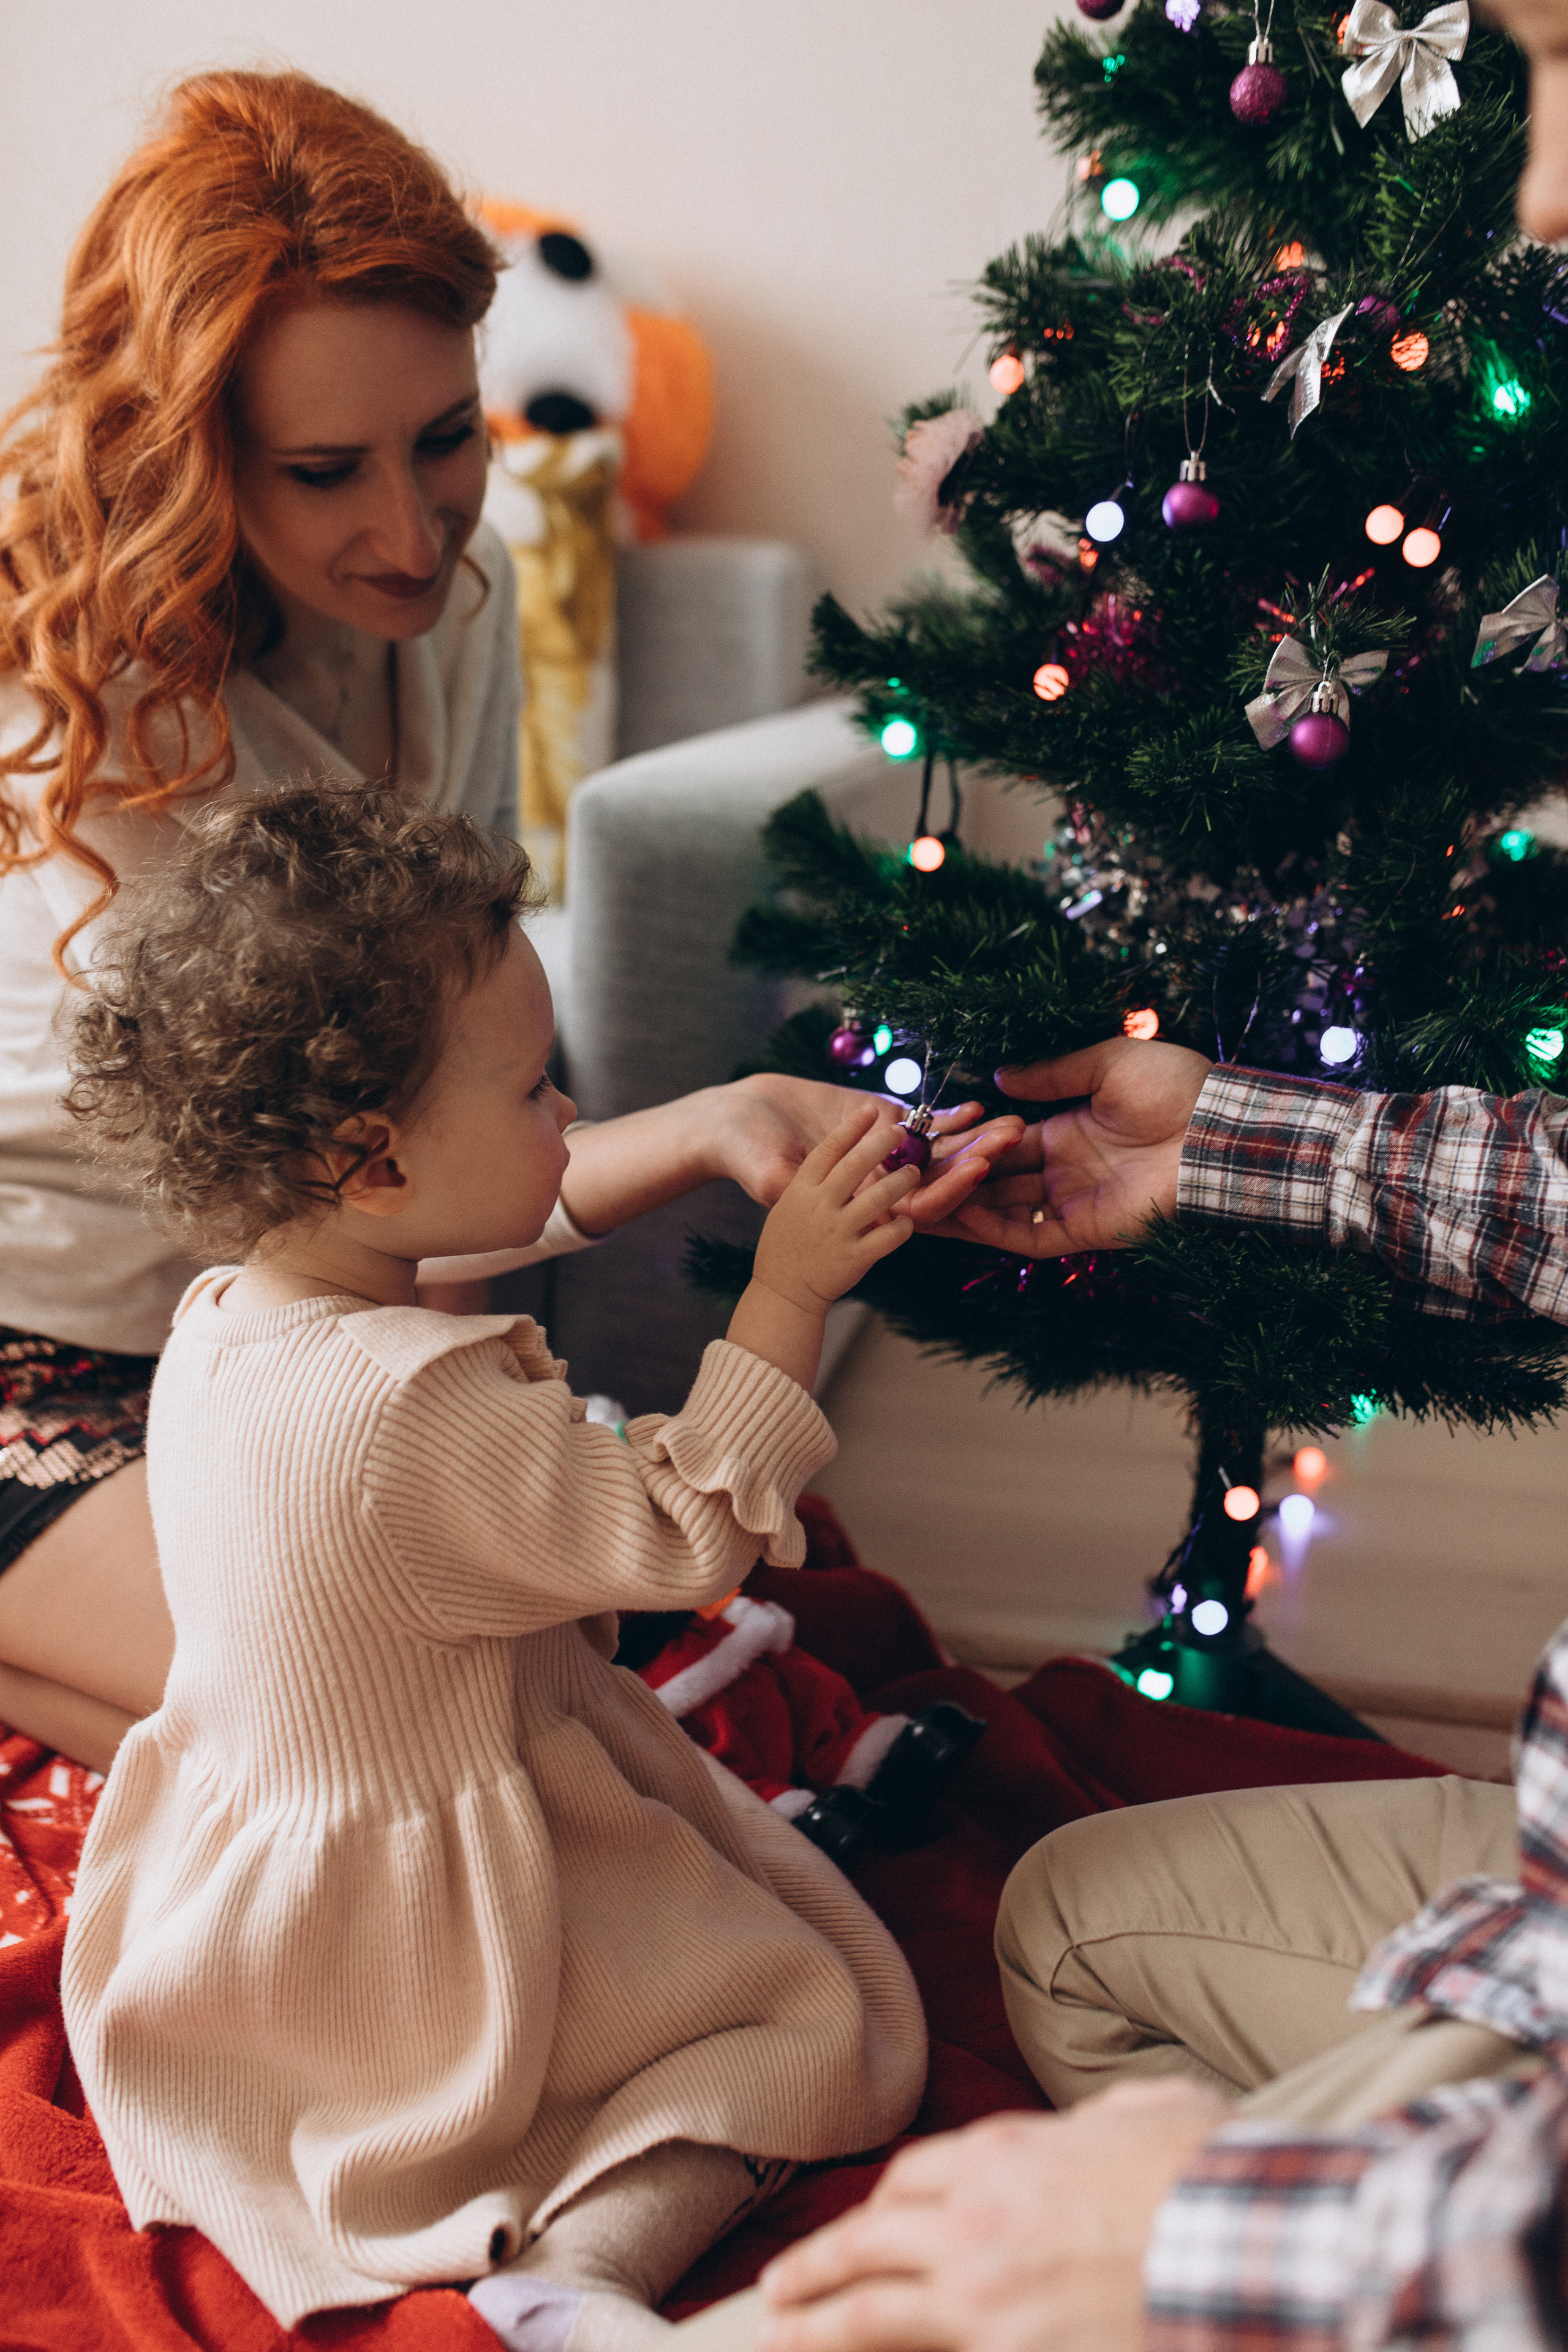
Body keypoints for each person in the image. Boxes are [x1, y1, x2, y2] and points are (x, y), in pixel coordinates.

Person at [0, 68, 1020, 1776]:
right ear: (189, 456)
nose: (410, 532)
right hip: (70, 1332)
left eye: (447, 438)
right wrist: (693, 1144)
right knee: (358, 1712)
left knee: (529, 1658)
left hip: (302, 1316)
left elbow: (439, 1097)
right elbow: (359, 1172)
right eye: (325, 471)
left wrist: (481, 1454)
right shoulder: (100, 690)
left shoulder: (443, 605)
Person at [60, 780, 929, 2343]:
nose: (572, 1121)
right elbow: (681, 1543)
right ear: (374, 1161)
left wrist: (703, 1130)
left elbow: (477, 1231)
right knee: (820, 2027)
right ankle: (585, 2266)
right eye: (537, 1091)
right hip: (440, 1950)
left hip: (261, 1928)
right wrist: (784, 1292)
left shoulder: (225, 1319)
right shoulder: (419, 1407)